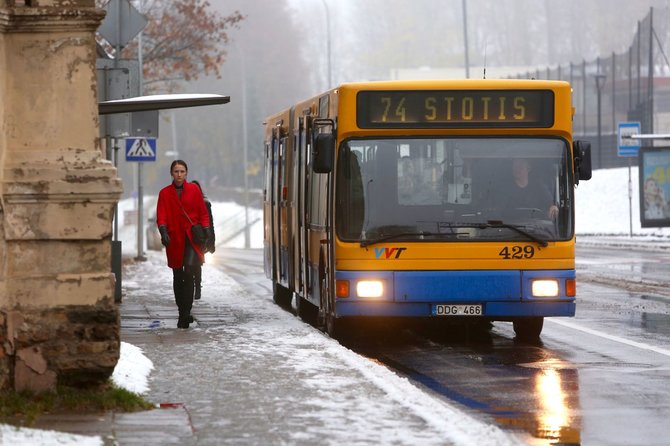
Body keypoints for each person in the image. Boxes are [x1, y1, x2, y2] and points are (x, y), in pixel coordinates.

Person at [156, 160, 211, 328]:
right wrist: (164, 231)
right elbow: (161, 215)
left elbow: (202, 212)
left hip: (191, 239)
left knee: (189, 273)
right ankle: (182, 310)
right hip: (174, 239)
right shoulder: (165, 193)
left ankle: (185, 313)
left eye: (182, 171)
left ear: (186, 173)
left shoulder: (194, 190)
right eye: (176, 171)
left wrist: (207, 231)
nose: (179, 174)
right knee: (177, 275)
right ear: (171, 173)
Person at [191, 180, 216, 300]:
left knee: (197, 264)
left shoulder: (205, 203)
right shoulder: (186, 202)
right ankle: (192, 287)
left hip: (200, 238)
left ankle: (197, 288)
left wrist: (211, 242)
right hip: (189, 236)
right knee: (189, 264)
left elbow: (210, 223)